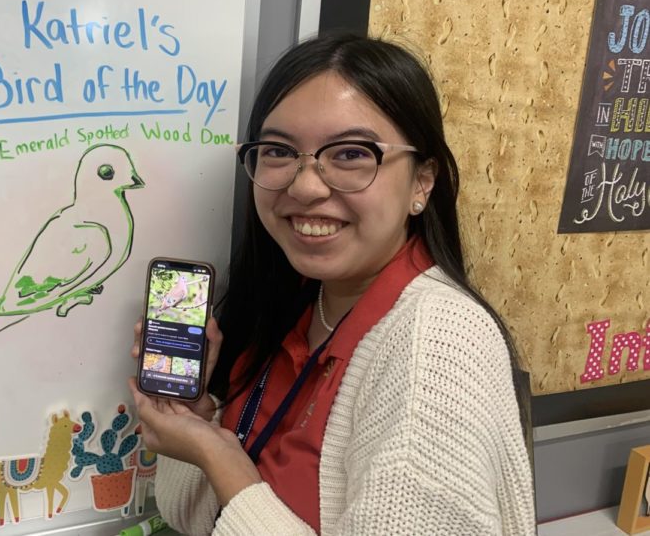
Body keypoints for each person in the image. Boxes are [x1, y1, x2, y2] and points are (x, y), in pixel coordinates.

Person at [128, 33, 536, 535]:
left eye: (349, 154)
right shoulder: (299, 302)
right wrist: (199, 419)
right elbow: (199, 520)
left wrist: (220, 459)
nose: (304, 186)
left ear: (422, 182)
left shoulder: (438, 341)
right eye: (278, 150)